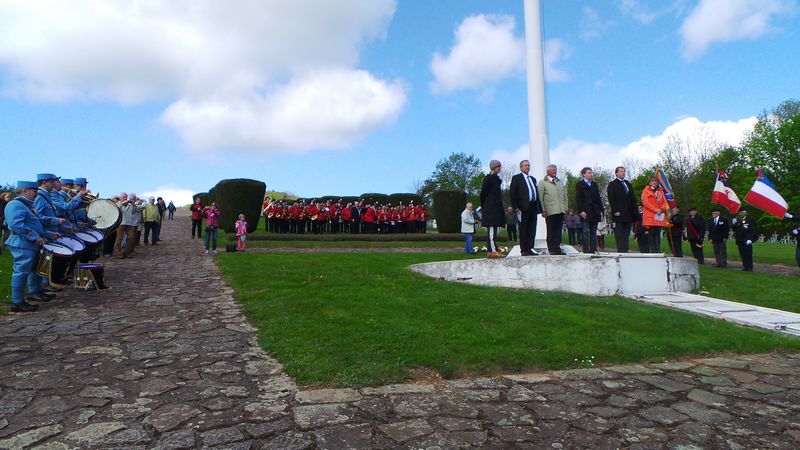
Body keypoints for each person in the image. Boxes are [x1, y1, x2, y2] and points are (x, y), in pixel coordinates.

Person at [4, 181, 63, 311]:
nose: (36, 193)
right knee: (21, 271)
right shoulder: (15, 204)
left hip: (29, 242)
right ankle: (17, 302)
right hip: (22, 242)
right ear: (24, 191)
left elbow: (34, 224)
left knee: (34, 269)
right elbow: (15, 225)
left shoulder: (27, 205)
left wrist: (49, 234)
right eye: (34, 191)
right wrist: (34, 237)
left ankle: (35, 292)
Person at [510, 160, 542, 256]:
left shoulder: (533, 179)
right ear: (521, 167)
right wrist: (515, 207)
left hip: (533, 207)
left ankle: (530, 248)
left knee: (532, 228)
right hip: (522, 207)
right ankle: (524, 249)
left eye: (528, 165)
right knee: (524, 229)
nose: (527, 167)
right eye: (525, 165)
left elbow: (536, 193)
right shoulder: (517, 178)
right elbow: (512, 193)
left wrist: (539, 208)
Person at [538, 164, 568, 255]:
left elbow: (564, 195)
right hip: (550, 211)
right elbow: (540, 197)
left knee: (558, 231)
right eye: (553, 170)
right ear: (548, 171)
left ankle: (557, 248)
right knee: (551, 230)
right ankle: (552, 248)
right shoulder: (543, 182)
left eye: (555, 170)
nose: (555, 171)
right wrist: (543, 210)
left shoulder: (559, 182)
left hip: (560, 210)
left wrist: (565, 208)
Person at [606, 166, 638, 253]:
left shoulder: (628, 184)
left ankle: (626, 249)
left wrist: (635, 213)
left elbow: (632, 199)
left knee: (626, 233)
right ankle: (621, 250)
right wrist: (615, 210)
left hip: (628, 213)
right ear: (616, 173)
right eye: (621, 171)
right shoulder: (613, 184)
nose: (623, 173)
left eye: (624, 171)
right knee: (619, 233)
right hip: (619, 213)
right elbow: (611, 198)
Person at [480, 160, 506, 258]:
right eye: (498, 166)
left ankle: (494, 247)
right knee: (491, 230)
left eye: (499, 166)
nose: (499, 168)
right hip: (490, 208)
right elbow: (483, 193)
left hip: (496, 208)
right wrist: (485, 205)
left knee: (494, 230)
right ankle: (491, 250)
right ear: (493, 167)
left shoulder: (496, 179)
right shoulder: (488, 178)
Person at [575, 167, 603, 254]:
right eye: (589, 173)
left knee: (594, 232)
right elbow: (578, 199)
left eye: (591, 173)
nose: (591, 174)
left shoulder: (594, 184)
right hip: (585, 211)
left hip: (595, 211)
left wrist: (601, 210)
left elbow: (598, 198)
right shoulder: (579, 185)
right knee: (585, 231)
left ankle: (593, 249)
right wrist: (581, 211)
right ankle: (586, 250)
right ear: (584, 174)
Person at [641, 176, 667, 253]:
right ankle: (653, 250)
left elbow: (664, 202)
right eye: (652, 181)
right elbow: (645, 202)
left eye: (656, 181)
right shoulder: (646, 191)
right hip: (650, 215)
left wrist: (661, 209)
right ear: (649, 182)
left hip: (659, 215)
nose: (654, 182)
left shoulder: (660, 191)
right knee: (652, 233)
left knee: (657, 233)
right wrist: (655, 209)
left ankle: (657, 250)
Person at [114, 192, 145, 259]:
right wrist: (122, 204)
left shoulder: (130, 205)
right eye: (123, 197)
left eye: (126, 197)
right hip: (120, 223)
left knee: (131, 238)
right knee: (119, 239)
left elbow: (134, 211)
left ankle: (127, 252)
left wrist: (133, 205)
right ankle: (118, 253)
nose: (125, 198)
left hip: (129, 224)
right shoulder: (118, 204)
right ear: (120, 198)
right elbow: (115, 210)